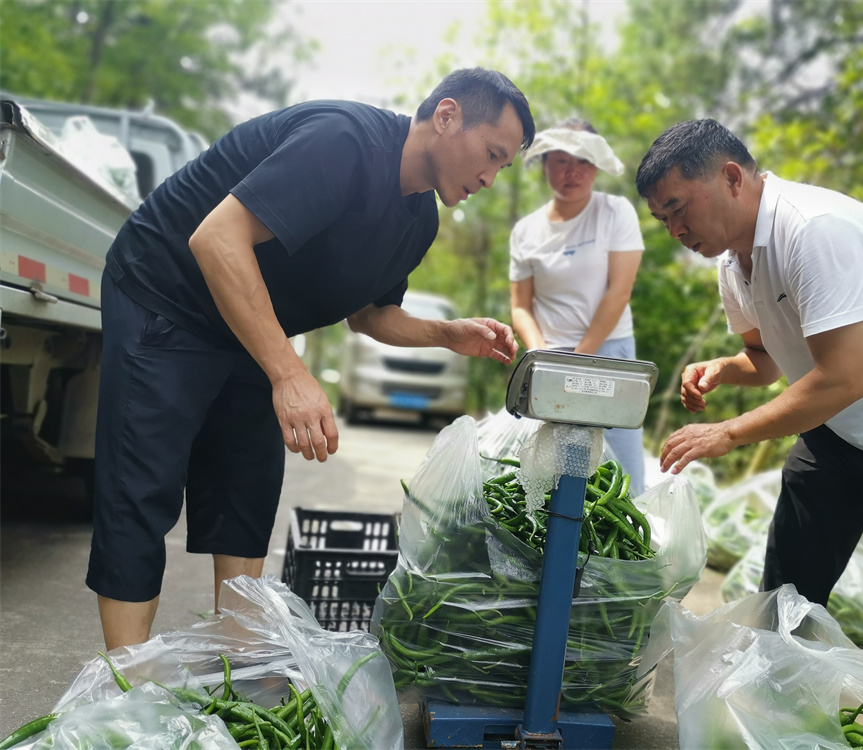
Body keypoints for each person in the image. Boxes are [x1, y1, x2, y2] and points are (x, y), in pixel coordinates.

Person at [87, 68, 536, 651]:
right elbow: (216, 240)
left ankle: (234, 665)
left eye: (503, 166)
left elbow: (369, 314)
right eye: (492, 154)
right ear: (447, 117)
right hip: (169, 296)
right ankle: (128, 688)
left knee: (246, 486)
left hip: (253, 323)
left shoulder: (419, 218)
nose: (490, 177)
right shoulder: (342, 143)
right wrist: (290, 374)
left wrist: (446, 333)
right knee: (142, 489)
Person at [635, 118, 863, 728]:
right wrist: (724, 369)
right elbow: (769, 358)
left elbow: (840, 377)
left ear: (729, 177)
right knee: (788, 590)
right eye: (662, 221)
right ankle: (770, 720)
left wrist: (727, 432)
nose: (675, 231)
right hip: (843, 431)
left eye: (677, 209)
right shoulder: (734, 263)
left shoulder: (815, 231)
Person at [509, 118, 647, 490]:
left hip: (609, 357)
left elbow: (619, 291)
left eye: (584, 161)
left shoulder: (615, 212)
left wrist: (577, 364)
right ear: (545, 164)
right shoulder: (526, 231)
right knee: (552, 478)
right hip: (550, 361)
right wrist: (542, 357)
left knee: (623, 479)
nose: (573, 172)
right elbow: (521, 306)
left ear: (598, 166)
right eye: (561, 161)